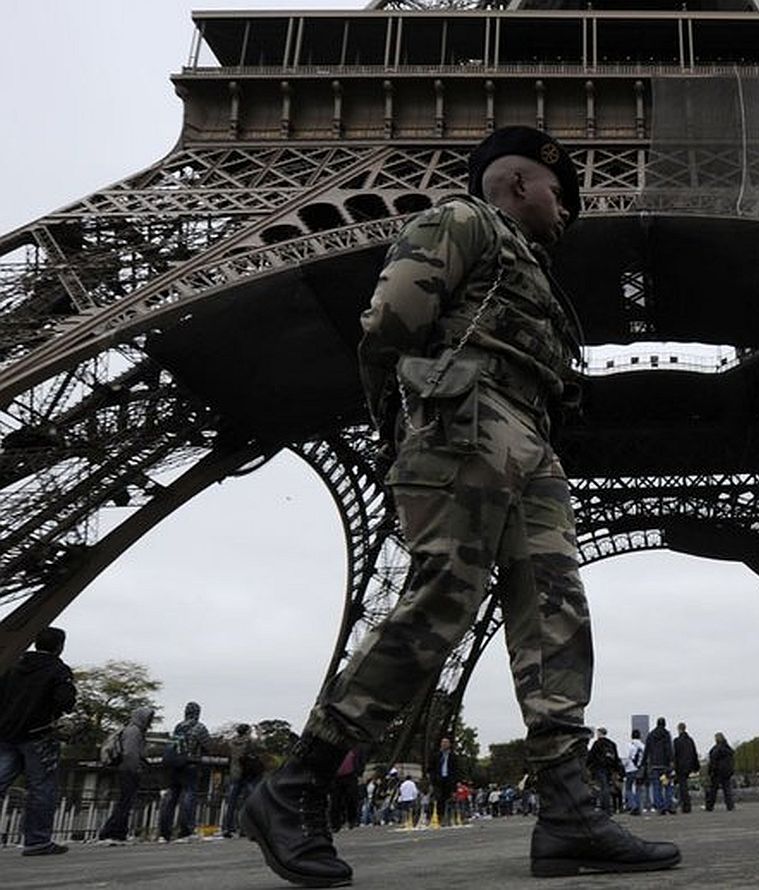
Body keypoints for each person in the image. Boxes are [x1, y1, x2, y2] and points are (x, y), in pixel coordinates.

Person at [239, 126, 678, 885]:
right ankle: (299, 783)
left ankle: (569, 809)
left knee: (556, 608)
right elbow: (390, 323)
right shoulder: (463, 220)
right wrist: (411, 420)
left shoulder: (533, 266)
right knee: (445, 594)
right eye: (559, 192)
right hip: (465, 418)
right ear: (516, 183)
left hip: (529, 436)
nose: (569, 208)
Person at [0, 626, 76, 856]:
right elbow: (65, 701)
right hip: (39, 735)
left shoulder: (13, 666)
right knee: (41, 788)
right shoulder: (58, 670)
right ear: (59, 646)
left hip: (6, 733)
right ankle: (37, 840)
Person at [97, 705, 156, 844]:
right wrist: (137, 768)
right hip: (129, 770)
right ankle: (111, 832)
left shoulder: (131, 730)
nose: (149, 722)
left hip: (126, 768)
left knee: (126, 802)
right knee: (125, 802)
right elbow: (130, 753)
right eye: (148, 718)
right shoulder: (134, 732)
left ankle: (119, 832)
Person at [159, 701, 211, 842]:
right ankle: (186, 831)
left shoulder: (178, 726)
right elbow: (208, 745)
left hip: (175, 766)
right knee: (189, 795)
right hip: (190, 765)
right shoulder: (199, 727)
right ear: (197, 713)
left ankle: (164, 833)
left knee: (171, 797)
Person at [222, 723, 263, 838]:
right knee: (247, 802)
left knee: (231, 802)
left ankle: (227, 827)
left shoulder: (232, 743)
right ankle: (243, 828)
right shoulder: (249, 742)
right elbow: (259, 743)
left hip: (234, 774)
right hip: (247, 774)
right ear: (246, 732)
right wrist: (258, 731)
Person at [585, 727, 622, 814]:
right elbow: (616, 758)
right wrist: (616, 770)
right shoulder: (612, 744)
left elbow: (591, 756)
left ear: (599, 733)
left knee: (602, 787)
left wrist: (587, 767)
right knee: (607, 787)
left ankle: (604, 807)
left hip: (599, 768)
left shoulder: (597, 743)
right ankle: (608, 808)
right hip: (610, 769)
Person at [642, 717, 674, 815]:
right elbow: (669, 749)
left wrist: (644, 762)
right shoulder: (666, 734)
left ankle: (660, 806)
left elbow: (647, 749)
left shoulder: (651, 735)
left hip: (654, 765)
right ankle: (669, 805)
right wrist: (671, 760)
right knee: (667, 785)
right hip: (664, 766)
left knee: (656, 787)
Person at [430, 737, 460, 826]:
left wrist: (455, 782)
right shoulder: (436, 756)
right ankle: (439, 817)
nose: (444, 744)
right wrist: (433, 778)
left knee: (449, 799)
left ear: (449, 744)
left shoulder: (453, 756)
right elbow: (431, 768)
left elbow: (456, 770)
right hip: (439, 779)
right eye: (443, 742)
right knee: (439, 799)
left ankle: (451, 817)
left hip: (449, 779)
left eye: (446, 743)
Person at [672, 723, 699, 814]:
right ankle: (686, 804)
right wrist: (695, 766)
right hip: (689, 765)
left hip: (680, 766)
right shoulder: (690, 740)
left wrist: (674, 767)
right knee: (685, 786)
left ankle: (685, 805)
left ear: (679, 729)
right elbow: (694, 753)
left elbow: (675, 755)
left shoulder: (677, 741)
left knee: (682, 787)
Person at [704, 733, 735, 811]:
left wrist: (711, 771)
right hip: (727, 771)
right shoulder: (728, 749)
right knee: (727, 789)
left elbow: (713, 761)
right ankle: (730, 805)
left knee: (713, 790)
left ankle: (710, 806)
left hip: (717, 771)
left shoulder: (716, 749)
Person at [623, 729, 645, 816]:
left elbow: (626, 759)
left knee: (628, 788)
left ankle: (633, 805)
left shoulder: (629, 745)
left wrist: (624, 767)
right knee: (639, 788)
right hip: (640, 770)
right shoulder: (643, 746)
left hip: (630, 769)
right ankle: (639, 807)